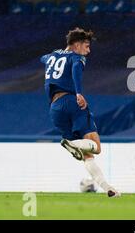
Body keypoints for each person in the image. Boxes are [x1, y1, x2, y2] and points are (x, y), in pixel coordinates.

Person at [41, 27, 120, 197]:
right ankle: (72, 144)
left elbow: (43, 58)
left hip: (55, 109)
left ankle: (108, 189)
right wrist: (78, 92)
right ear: (76, 45)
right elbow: (76, 69)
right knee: (96, 147)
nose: (88, 51)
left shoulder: (51, 56)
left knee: (88, 155)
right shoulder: (77, 58)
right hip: (72, 102)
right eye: (86, 46)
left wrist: (53, 57)